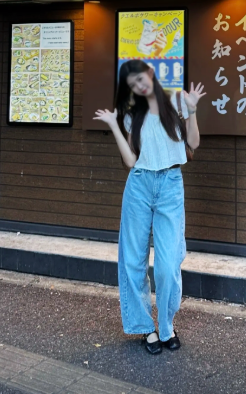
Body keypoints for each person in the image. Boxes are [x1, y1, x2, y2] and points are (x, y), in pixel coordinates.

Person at [94, 59, 206, 355]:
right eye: (133, 85)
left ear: (151, 73)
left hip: (170, 184)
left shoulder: (178, 102)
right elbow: (131, 161)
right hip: (140, 185)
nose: (139, 86)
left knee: (168, 264)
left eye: (140, 79)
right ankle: (145, 327)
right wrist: (113, 125)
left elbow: (193, 143)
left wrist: (192, 110)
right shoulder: (133, 115)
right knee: (133, 260)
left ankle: (167, 326)